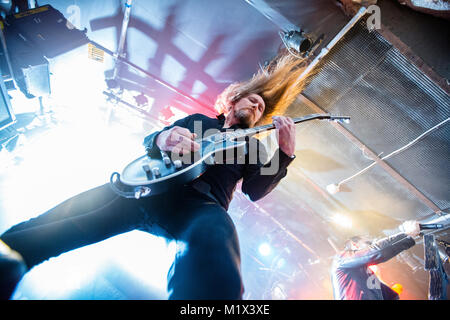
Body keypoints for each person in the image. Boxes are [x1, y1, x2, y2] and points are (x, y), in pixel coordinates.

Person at [0, 53, 312, 300]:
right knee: (53, 225)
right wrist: (162, 140)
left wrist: (285, 154)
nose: (257, 105)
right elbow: (152, 141)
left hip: (201, 206)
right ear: (234, 100)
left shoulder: (254, 148)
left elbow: (256, 190)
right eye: (252, 99)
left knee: (215, 240)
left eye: (261, 108)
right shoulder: (200, 120)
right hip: (144, 189)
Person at [331, 220, 421, 300]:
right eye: (368, 243)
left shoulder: (367, 274)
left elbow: (390, 296)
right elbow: (376, 251)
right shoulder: (341, 259)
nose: (371, 245)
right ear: (355, 245)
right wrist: (407, 235)